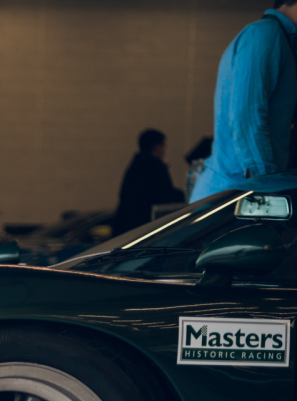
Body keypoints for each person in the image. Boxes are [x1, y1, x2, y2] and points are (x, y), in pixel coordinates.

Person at [191, 2, 297, 201]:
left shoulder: (280, 40)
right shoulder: (265, 34)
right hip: (233, 199)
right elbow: (247, 119)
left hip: (243, 196)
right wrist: (268, 191)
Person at [112, 129, 186, 234]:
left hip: (127, 226)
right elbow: (166, 195)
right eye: (163, 146)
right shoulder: (155, 166)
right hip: (145, 227)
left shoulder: (135, 165)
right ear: (156, 147)